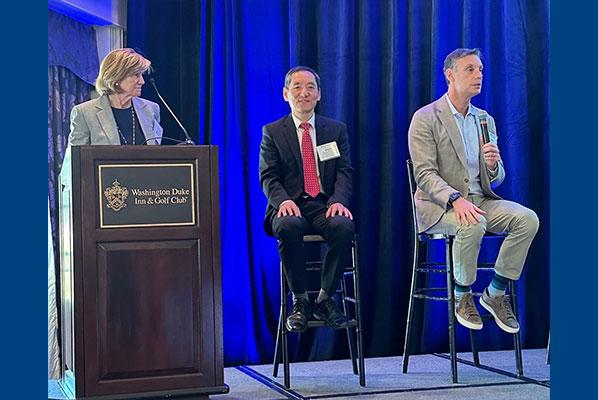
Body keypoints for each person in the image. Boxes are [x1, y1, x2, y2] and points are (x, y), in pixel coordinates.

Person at [408, 48, 539, 333]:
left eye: (480, 69)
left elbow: (498, 177)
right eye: (470, 69)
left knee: (528, 219)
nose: (478, 75)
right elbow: (424, 174)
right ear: (450, 75)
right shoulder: (426, 117)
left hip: (480, 200)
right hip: (439, 207)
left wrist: (493, 166)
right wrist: (455, 200)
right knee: (473, 221)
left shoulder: (484, 120)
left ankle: (495, 291)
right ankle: (462, 294)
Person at [259, 66, 355, 333]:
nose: (304, 93)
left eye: (310, 87)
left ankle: (325, 299)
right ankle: (299, 300)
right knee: (287, 226)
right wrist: (281, 202)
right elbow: (268, 175)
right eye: (297, 87)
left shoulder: (335, 130)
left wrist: (339, 200)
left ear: (319, 94)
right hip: (291, 205)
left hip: (324, 205)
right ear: (285, 94)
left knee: (343, 227)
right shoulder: (273, 131)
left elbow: (345, 171)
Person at [60, 48, 162, 185]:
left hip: (144, 192)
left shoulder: (151, 109)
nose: (142, 81)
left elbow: (158, 158)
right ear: (117, 77)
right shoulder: (84, 113)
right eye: (136, 75)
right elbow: (72, 167)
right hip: (106, 194)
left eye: (142, 75)